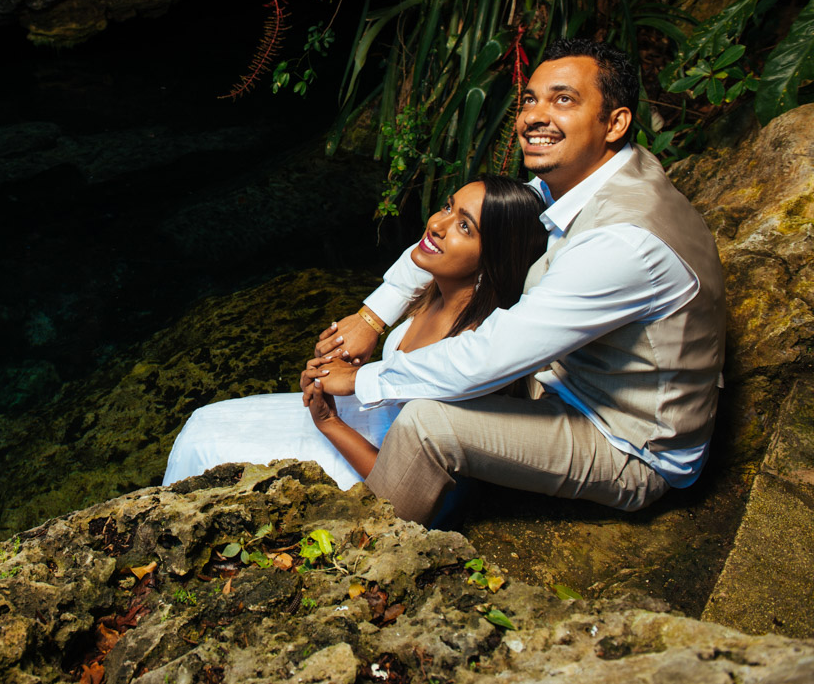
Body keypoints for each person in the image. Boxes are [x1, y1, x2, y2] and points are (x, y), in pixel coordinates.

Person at [311, 38, 726, 525]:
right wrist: (371, 317)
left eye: (563, 99)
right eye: (530, 99)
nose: (534, 116)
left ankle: (365, 558)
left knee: (427, 422)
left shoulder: (623, 242)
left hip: (627, 441)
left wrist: (360, 381)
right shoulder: (586, 178)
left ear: (615, 123)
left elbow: (491, 355)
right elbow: (442, 235)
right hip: (567, 381)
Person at [162, 175, 548, 488]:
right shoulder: (439, 292)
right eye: (447, 206)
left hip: (370, 461)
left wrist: (328, 421)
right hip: (364, 417)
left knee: (208, 448)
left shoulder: (471, 349)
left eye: (464, 226)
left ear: (493, 257)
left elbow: (405, 479)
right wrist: (338, 365)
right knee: (204, 422)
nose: (436, 225)